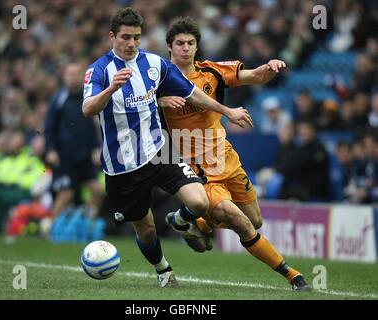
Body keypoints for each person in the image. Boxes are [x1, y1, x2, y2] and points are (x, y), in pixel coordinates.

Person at [82, 7, 253, 288]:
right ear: (112, 36)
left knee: (199, 201)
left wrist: (227, 110)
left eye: (136, 37)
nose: (131, 44)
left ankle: (180, 220)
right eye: (125, 37)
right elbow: (88, 109)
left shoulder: (155, 64)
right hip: (122, 166)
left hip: (159, 151)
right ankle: (163, 270)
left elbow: (192, 92)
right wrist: (110, 89)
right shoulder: (99, 70)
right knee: (146, 228)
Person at [159, 17, 311, 290]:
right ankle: (293, 275)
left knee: (255, 220)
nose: (185, 48)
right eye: (179, 43)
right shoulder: (159, 79)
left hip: (227, 158)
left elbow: (254, 75)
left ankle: (199, 224)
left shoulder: (212, 72)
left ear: (197, 46)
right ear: (169, 47)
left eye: (191, 43)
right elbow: (135, 104)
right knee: (241, 222)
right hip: (198, 171)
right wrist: (159, 100)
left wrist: (270, 67)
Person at [44, 62, 103, 219]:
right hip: (65, 156)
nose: (73, 78)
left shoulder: (90, 97)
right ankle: (53, 230)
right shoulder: (59, 99)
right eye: (70, 74)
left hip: (86, 154)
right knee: (66, 194)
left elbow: (95, 126)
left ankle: (84, 225)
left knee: (97, 191)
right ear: (64, 77)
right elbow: (49, 127)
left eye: (76, 74)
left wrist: (97, 148)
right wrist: (50, 149)